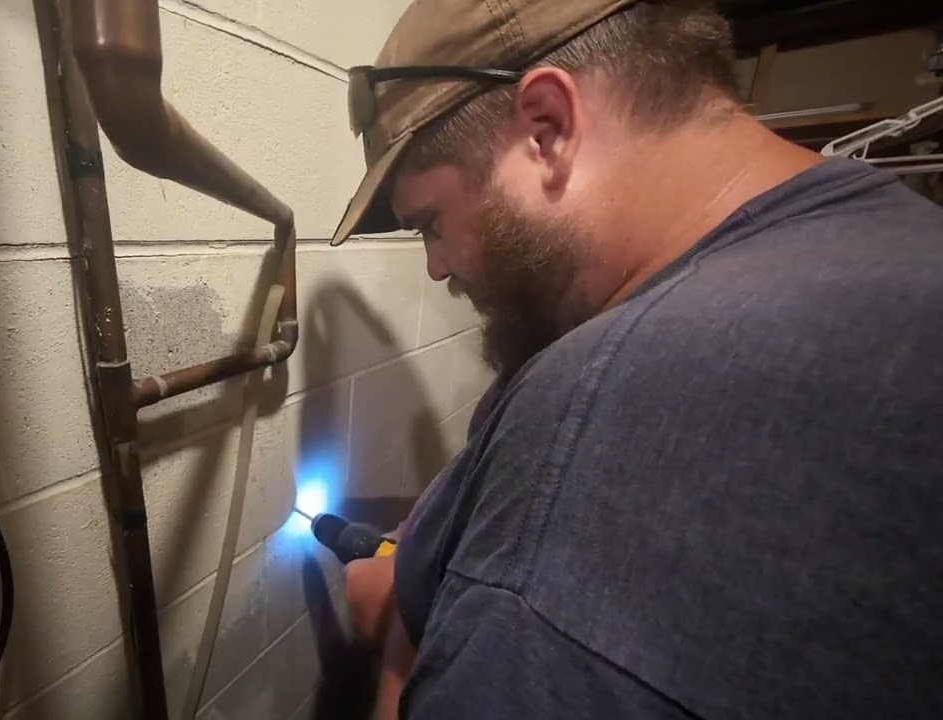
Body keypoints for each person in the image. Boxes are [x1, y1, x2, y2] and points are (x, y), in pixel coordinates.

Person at [329, 0, 943, 717]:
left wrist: (405, 643)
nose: (437, 268)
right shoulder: (903, 238)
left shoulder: (604, 408)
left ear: (547, 127)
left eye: (430, 223)